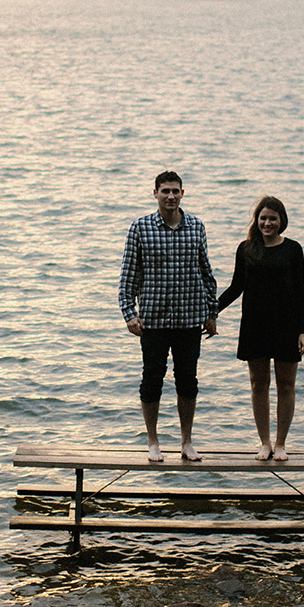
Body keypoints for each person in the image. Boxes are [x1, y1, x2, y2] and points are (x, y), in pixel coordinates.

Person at [119, 171, 218, 463]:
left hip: (189, 318)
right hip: (153, 319)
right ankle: (153, 441)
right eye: (165, 191)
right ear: (155, 194)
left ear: (183, 194)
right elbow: (129, 274)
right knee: (152, 379)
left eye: (175, 191)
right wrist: (129, 313)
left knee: (188, 381)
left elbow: (205, 272)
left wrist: (211, 312)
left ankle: (186, 442)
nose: (170, 196)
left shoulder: (196, 226)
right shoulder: (140, 227)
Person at [216, 196, 304, 462]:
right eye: (263, 218)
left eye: (272, 218)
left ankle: (281, 444)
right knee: (259, 384)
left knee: (286, 385)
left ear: (281, 221)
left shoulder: (293, 249)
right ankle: (264, 442)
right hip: (254, 325)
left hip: (287, 325)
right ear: (256, 220)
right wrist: (211, 311)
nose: (267, 223)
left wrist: (303, 330)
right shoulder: (246, 248)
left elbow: (300, 291)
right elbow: (236, 287)